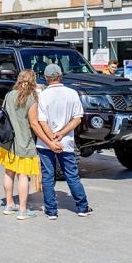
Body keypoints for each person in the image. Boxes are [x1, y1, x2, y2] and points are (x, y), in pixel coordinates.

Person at [0, 70, 62, 220]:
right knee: (23, 176)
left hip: (8, 142)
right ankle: (23, 210)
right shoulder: (31, 98)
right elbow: (34, 124)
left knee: (9, 172)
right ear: (33, 81)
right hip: (24, 142)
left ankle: (9, 204)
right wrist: (50, 141)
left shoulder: (9, 95)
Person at [36, 64, 92, 220]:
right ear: (60, 76)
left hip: (45, 142)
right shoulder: (72, 93)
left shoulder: (42, 96)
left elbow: (42, 121)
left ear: (46, 78)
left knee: (48, 176)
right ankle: (82, 207)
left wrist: (52, 138)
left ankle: (51, 211)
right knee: (72, 175)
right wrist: (61, 134)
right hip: (66, 141)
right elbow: (77, 118)